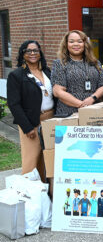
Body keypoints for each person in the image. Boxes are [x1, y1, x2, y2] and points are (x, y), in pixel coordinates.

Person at [7, 40, 55, 181]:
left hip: (51, 119)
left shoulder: (46, 72)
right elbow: (14, 104)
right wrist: (27, 127)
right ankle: (28, 196)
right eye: (29, 51)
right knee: (31, 161)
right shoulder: (16, 75)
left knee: (48, 160)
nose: (33, 53)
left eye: (36, 50)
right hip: (32, 122)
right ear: (23, 54)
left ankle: (45, 195)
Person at [51, 30, 103, 115]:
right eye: (71, 41)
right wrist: (82, 105)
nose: (76, 44)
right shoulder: (60, 64)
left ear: (85, 44)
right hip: (68, 113)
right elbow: (58, 91)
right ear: (66, 44)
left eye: (80, 41)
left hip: (94, 111)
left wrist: (92, 98)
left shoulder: (95, 62)